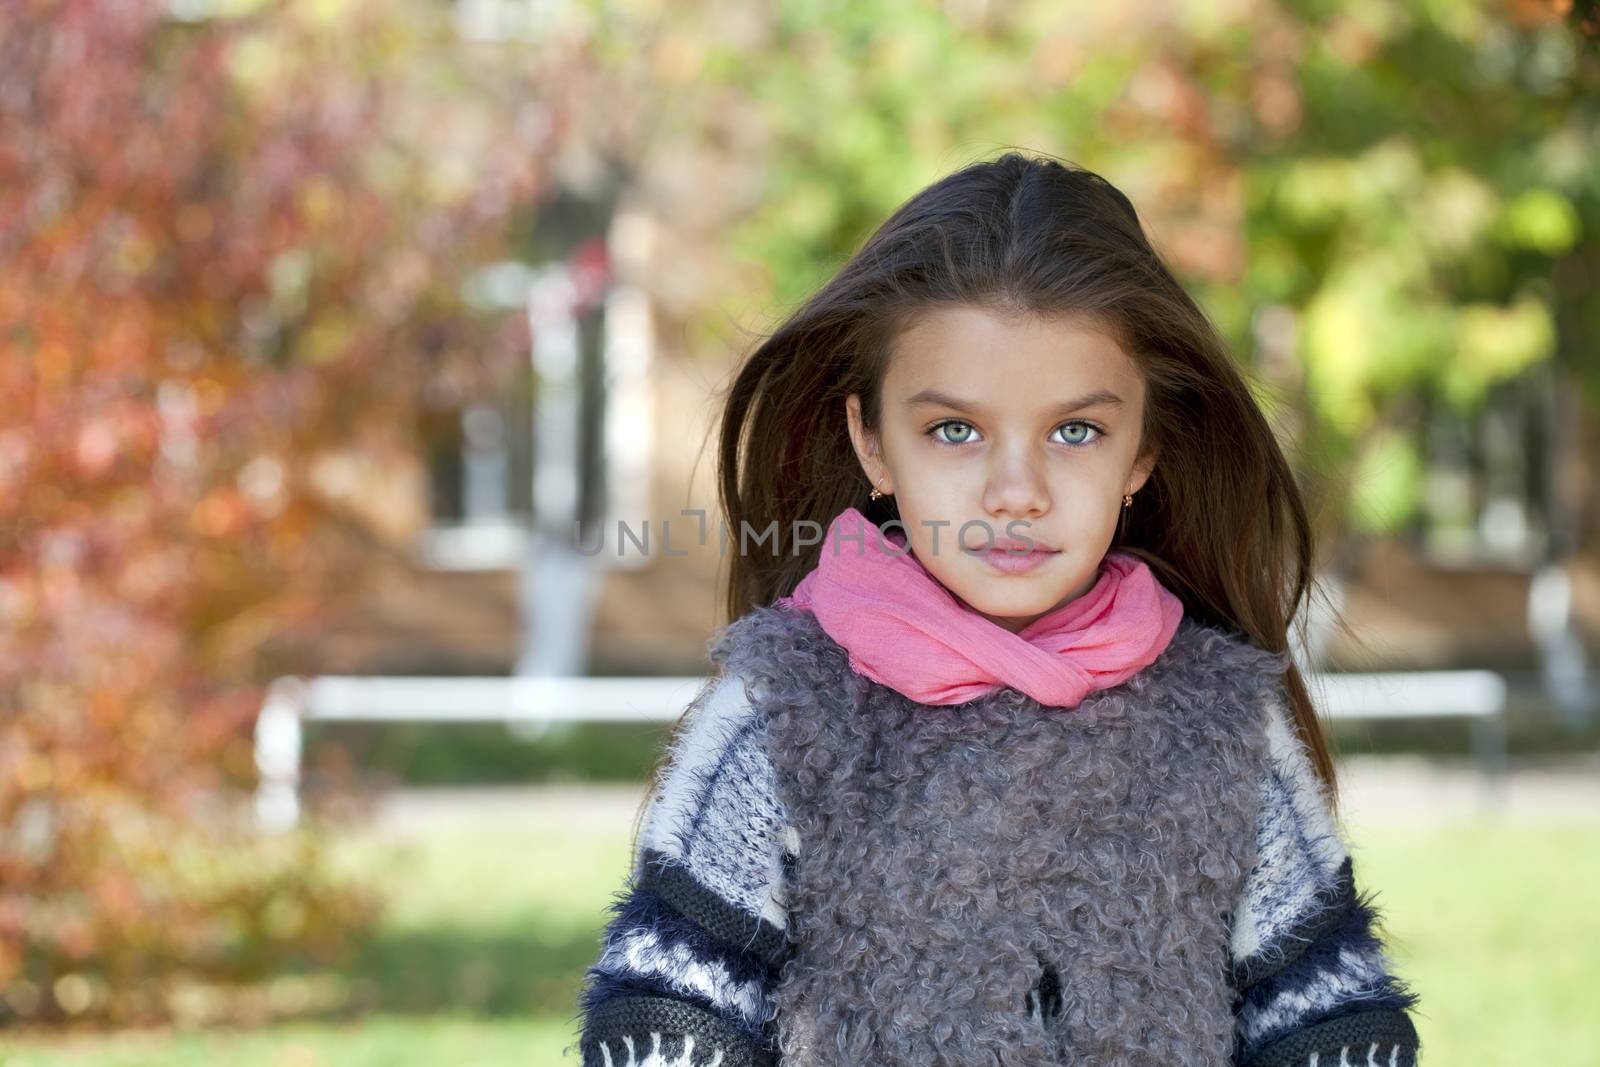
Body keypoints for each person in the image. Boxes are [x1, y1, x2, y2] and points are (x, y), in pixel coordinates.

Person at [567, 152, 1423, 1067]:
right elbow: (665, 1016)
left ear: (1144, 452)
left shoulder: (1224, 719)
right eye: (955, 430)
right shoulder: (781, 708)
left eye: (1076, 431)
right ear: (873, 443)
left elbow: (1332, 1018)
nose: (1016, 491)